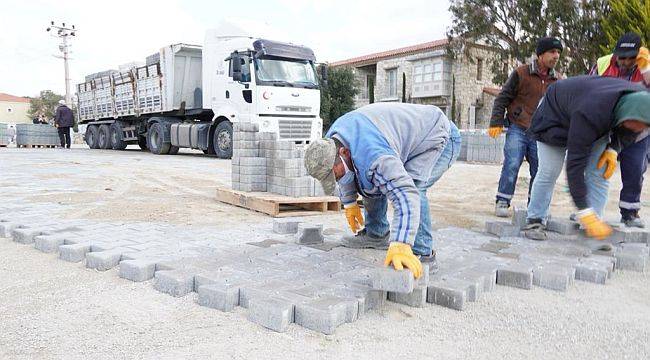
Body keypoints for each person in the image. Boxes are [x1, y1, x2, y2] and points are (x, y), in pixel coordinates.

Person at [304, 103, 461, 278]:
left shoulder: (374, 156)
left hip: (437, 135)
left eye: (334, 175)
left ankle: (423, 254)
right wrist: (349, 202)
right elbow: (348, 171)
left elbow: (405, 194)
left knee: (414, 186)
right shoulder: (330, 143)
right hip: (396, 138)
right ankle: (376, 234)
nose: (336, 180)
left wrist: (401, 242)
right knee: (367, 179)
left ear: (344, 152)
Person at [523, 76, 650, 241]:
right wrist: (583, 210)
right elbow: (575, 167)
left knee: (599, 172)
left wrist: (614, 148)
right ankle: (535, 219)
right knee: (549, 170)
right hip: (554, 116)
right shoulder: (591, 112)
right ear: (626, 116)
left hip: (593, 117)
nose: (641, 129)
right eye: (638, 125)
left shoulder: (641, 102)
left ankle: (592, 226)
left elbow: (631, 132)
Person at [488, 37, 563, 217]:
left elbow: (560, 108)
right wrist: (496, 122)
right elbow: (502, 98)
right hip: (518, 128)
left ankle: (534, 206)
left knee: (539, 169)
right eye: (552, 52)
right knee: (512, 163)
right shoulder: (521, 73)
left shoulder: (558, 81)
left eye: (558, 53)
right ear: (540, 54)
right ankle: (503, 201)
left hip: (540, 134)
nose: (556, 56)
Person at [590, 32, 650, 227]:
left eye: (630, 57)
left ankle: (629, 212)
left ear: (639, 54)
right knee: (595, 167)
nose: (624, 62)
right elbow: (588, 88)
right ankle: (589, 209)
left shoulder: (647, 67)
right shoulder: (603, 63)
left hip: (635, 129)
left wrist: (647, 70)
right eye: (621, 57)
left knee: (634, 168)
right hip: (606, 125)